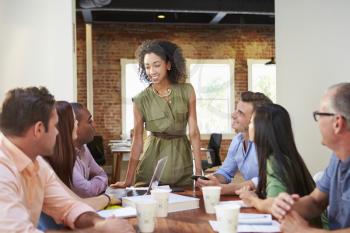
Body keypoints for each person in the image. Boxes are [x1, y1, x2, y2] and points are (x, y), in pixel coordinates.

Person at [0, 87, 134, 232]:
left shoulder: (37, 163)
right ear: (38, 129)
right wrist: (99, 229)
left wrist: (102, 223)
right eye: (54, 126)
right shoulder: (3, 171)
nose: (58, 132)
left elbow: (70, 207)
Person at [112, 40, 202, 188]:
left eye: (156, 65)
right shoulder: (140, 99)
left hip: (182, 162)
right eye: (147, 67)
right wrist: (128, 179)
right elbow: (138, 140)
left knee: (184, 204)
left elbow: (194, 132)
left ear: (168, 64)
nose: (151, 71)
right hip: (152, 161)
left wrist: (198, 171)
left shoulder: (187, 91)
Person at [270, 83, 350, 232]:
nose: (317, 122)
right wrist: (286, 206)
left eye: (319, 115)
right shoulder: (337, 158)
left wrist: (305, 231)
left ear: (338, 123)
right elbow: (315, 202)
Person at [236, 103, 324, 227]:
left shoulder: (275, 162)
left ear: (263, 128)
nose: (249, 126)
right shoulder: (284, 157)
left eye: (251, 122)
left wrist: (253, 200)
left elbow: (275, 206)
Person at [46, 101, 118, 210]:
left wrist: (104, 197)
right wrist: (107, 198)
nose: (75, 124)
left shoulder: (82, 149)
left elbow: (101, 175)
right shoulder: (55, 160)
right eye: (73, 121)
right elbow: (85, 192)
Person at [196, 91, 272, 194]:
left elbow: (265, 180)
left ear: (257, 119)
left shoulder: (268, 143)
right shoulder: (237, 140)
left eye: (240, 113)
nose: (233, 115)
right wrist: (211, 180)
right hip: (252, 198)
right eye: (236, 110)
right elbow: (226, 172)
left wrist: (224, 188)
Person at [70, 102, 108, 198]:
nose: (94, 125)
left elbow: (102, 174)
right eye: (90, 121)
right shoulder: (64, 155)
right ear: (75, 126)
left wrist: (91, 185)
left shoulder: (84, 148)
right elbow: (85, 191)